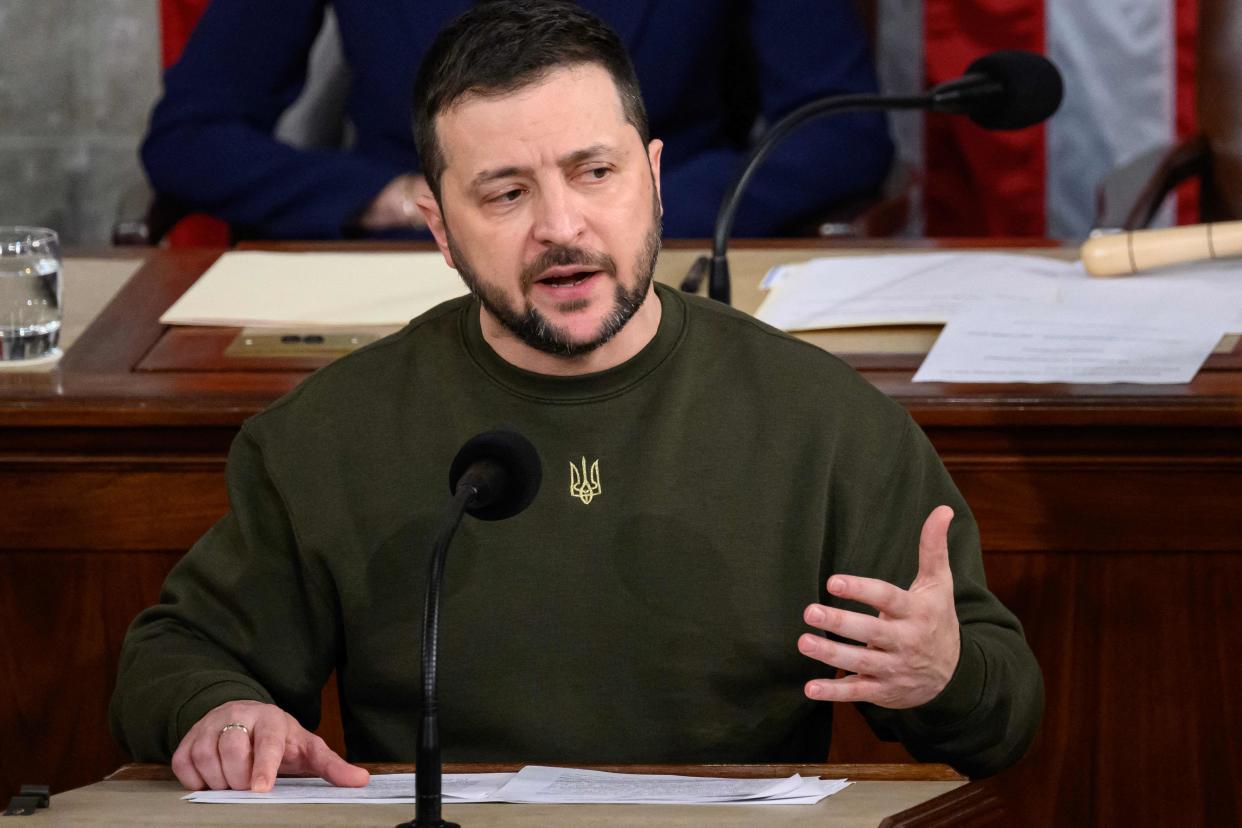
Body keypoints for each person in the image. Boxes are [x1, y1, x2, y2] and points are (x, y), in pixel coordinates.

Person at [111, 0, 1042, 793]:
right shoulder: (328, 434)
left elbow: (1002, 716)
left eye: (596, 173)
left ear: (656, 178)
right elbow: (174, 656)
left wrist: (940, 673)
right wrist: (223, 710)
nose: (563, 228)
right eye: (506, 194)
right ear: (438, 226)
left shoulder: (825, 425)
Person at [142, 0, 892, 240]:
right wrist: (399, 197)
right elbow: (191, 136)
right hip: (415, 268)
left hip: (667, 257)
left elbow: (842, 133)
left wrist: (623, 198)